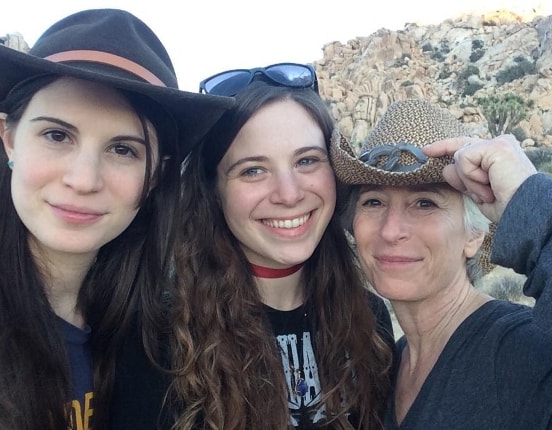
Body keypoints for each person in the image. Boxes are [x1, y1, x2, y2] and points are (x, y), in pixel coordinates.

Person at [330, 98, 552, 429]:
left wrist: (544, 217)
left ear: (474, 235)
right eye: (373, 201)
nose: (391, 230)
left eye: (425, 203)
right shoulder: (389, 365)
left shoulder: (526, 355)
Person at [0, 9, 232, 430]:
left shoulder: (157, 339)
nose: (84, 180)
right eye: (56, 135)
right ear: (9, 138)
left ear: (156, 173)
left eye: (123, 149)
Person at [168, 64, 395, 429]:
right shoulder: (168, 334)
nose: (289, 194)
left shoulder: (369, 320)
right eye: (253, 170)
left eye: (307, 161)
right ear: (213, 191)